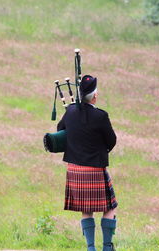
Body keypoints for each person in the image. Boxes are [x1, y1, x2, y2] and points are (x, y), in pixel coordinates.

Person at [57, 75, 118, 251]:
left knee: (86, 209)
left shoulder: (70, 111)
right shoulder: (101, 116)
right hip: (95, 169)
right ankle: (107, 247)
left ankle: (91, 248)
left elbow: (60, 131)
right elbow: (111, 141)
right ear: (95, 96)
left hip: (74, 169)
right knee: (110, 207)